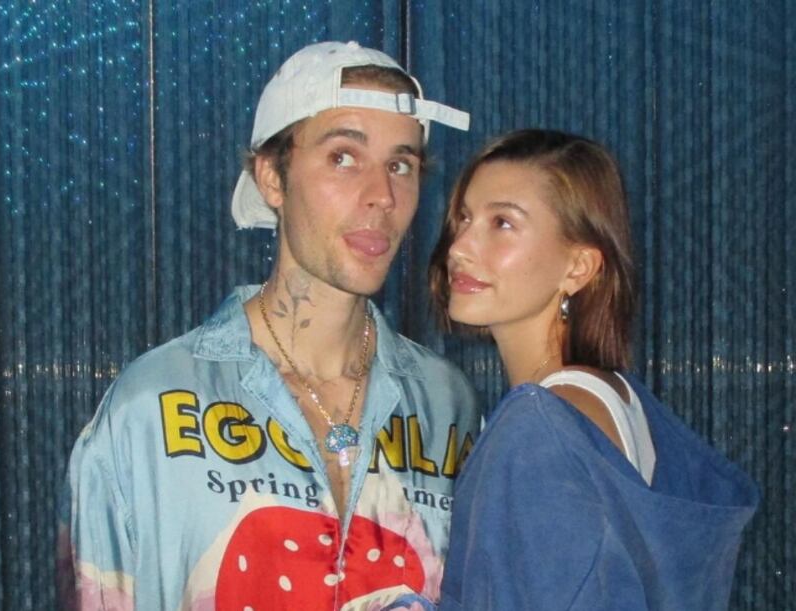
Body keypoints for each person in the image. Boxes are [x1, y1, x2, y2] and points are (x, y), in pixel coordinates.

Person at [61, 41, 480, 611]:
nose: (382, 196)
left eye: (400, 165)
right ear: (271, 178)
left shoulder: (446, 405)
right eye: (343, 157)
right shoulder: (148, 408)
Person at [429, 129, 758, 610]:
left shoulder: (539, 426)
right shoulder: (614, 398)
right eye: (464, 217)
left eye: (502, 223)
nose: (459, 247)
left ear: (578, 268)